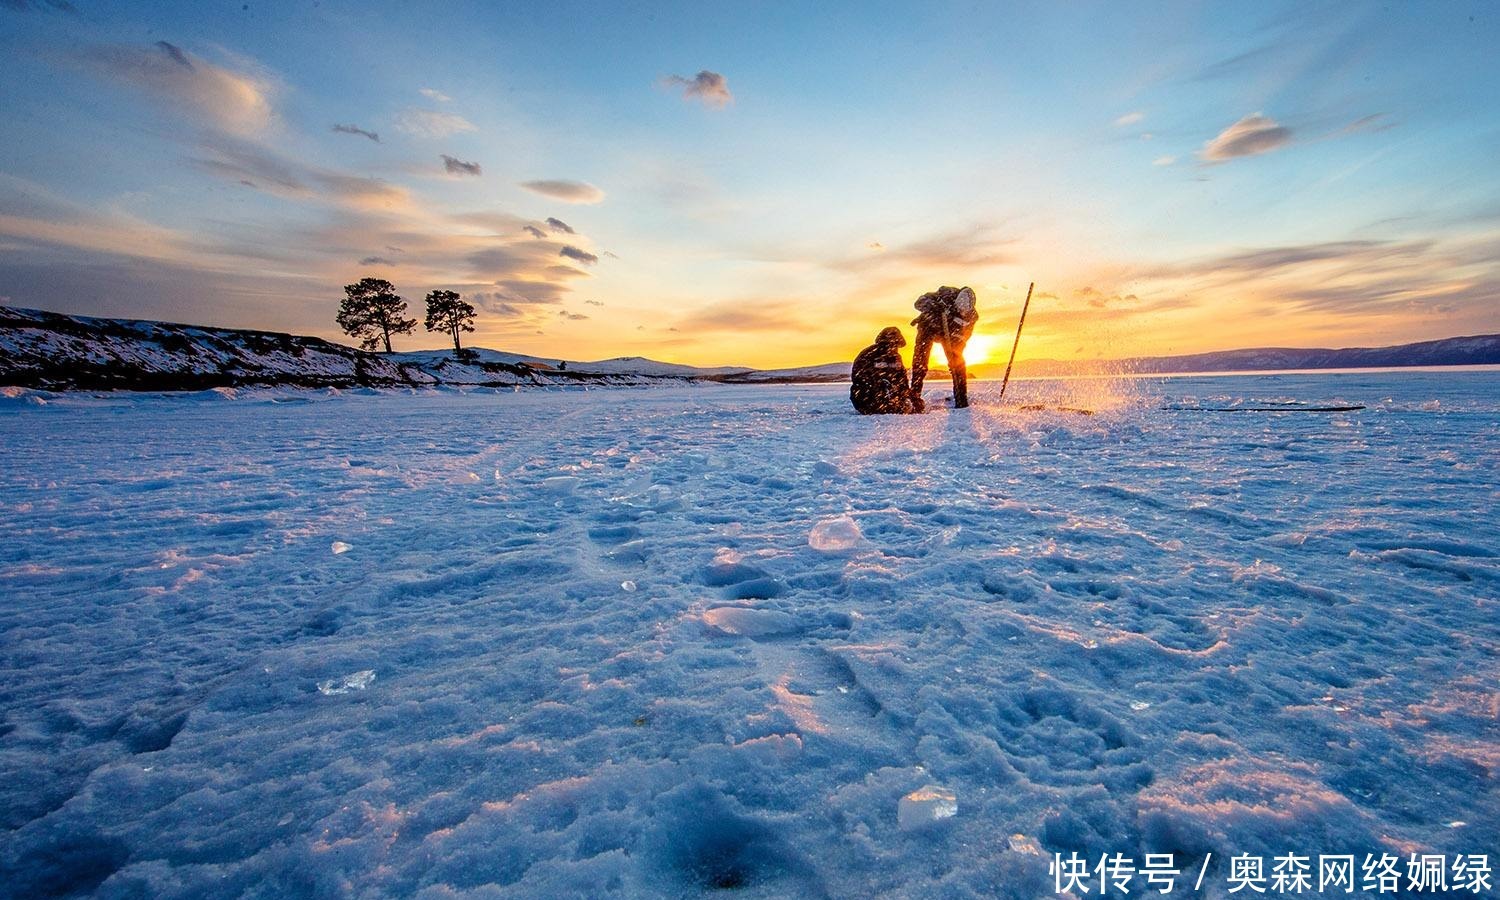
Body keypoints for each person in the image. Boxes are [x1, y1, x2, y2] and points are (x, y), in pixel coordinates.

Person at [910, 285, 979, 409]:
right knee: (920, 363)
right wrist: (935, 306)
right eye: (959, 310)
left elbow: (965, 336)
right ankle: (914, 398)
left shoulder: (972, 317)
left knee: (958, 364)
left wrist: (957, 349)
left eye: (964, 312)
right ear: (956, 300)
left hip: (950, 335)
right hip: (928, 328)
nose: (962, 313)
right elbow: (919, 302)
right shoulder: (946, 294)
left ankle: (961, 399)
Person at [850, 326, 917, 415]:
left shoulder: (895, 358)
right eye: (892, 344)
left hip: (880, 397)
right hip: (866, 398)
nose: (894, 348)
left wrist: (909, 398)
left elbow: (902, 381)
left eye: (896, 345)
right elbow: (864, 380)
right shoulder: (870, 355)